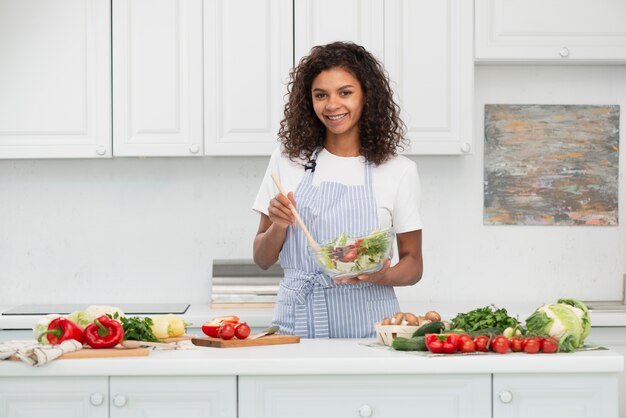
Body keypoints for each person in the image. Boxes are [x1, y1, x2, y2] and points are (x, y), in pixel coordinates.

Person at [252, 41, 423, 338]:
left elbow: (414, 264)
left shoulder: (399, 170)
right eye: (321, 95)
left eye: (345, 92)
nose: (332, 105)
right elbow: (262, 258)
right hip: (296, 326)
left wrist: (382, 275)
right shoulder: (287, 160)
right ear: (309, 101)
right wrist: (278, 226)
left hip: (370, 329)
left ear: (367, 96)